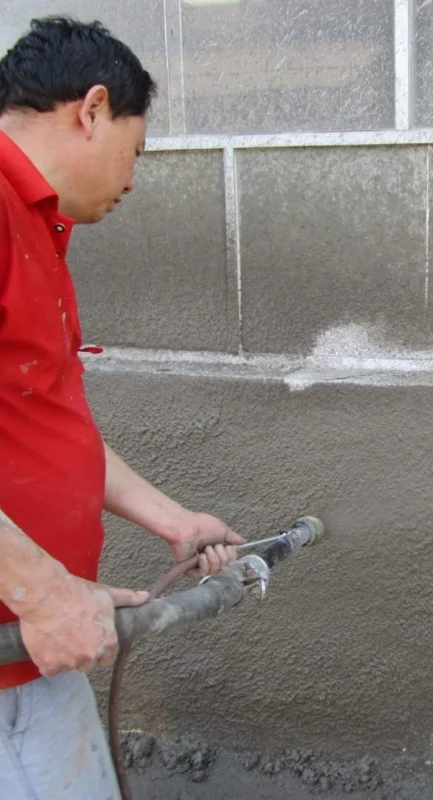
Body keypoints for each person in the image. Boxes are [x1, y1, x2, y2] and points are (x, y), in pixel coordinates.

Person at [0, 17, 245, 798]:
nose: (133, 178)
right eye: (135, 150)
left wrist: (175, 521)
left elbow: (40, 428)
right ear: (93, 108)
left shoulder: (35, 225)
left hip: (37, 644)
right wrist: (44, 593)